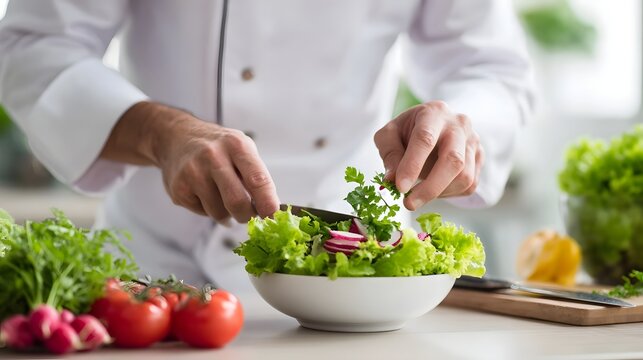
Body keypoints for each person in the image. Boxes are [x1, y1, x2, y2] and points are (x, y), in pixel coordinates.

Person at [0, 1, 533, 291]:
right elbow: (31, 46)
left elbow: (490, 68)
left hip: (356, 280)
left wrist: (461, 128)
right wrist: (160, 133)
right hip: (159, 273)